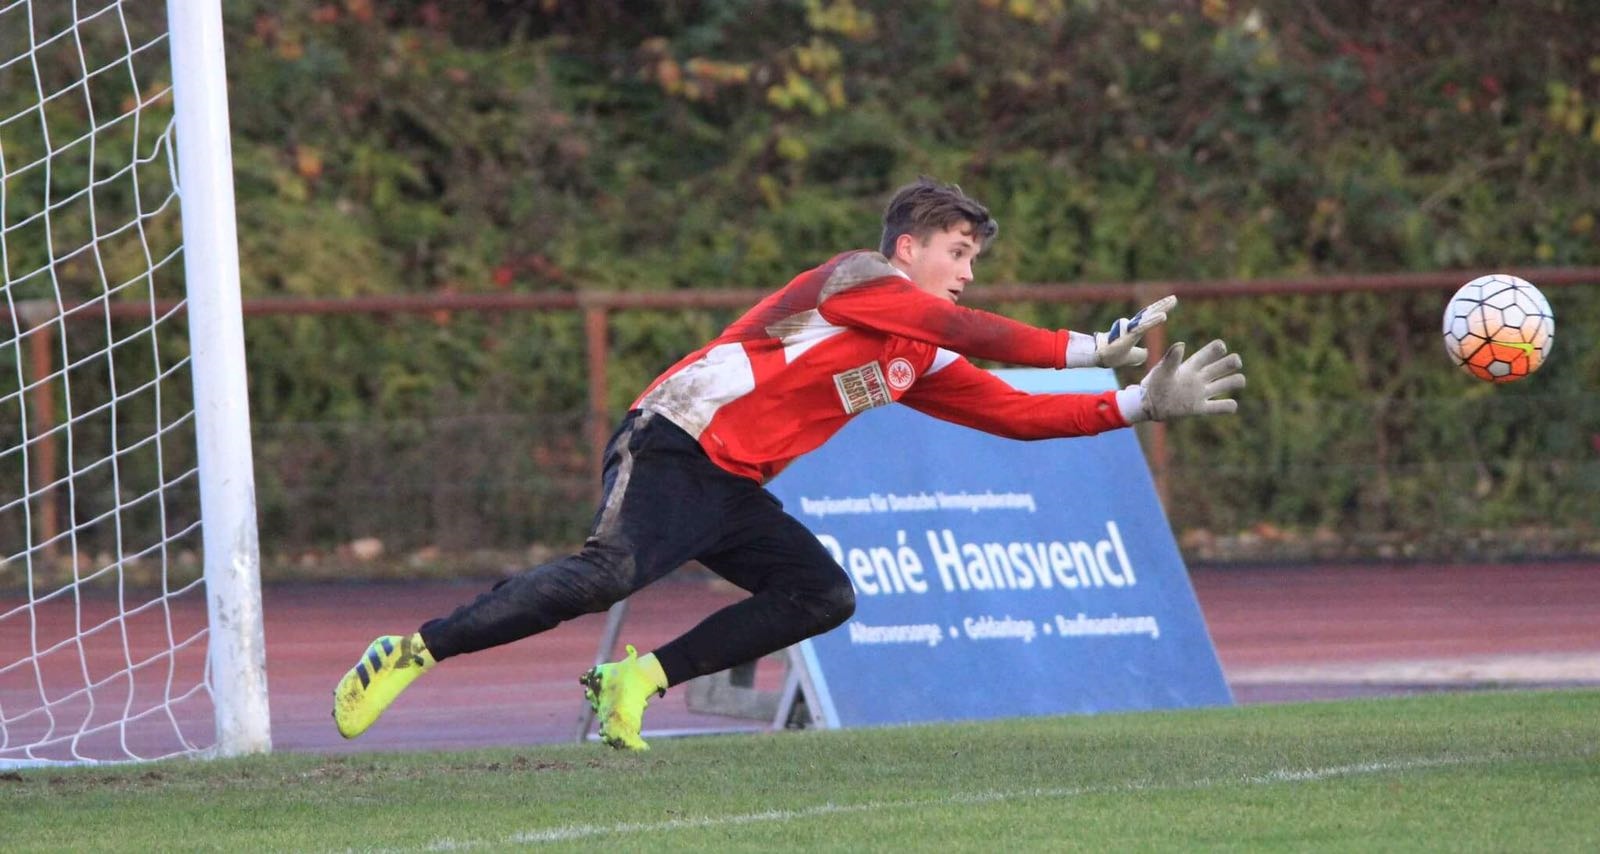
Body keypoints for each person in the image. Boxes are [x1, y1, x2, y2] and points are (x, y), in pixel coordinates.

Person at [331, 177, 1245, 750]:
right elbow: (960, 328)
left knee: (824, 596)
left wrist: (1136, 404)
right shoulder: (857, 280)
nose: (967, 271)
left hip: (735, 485)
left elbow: (1006, 412)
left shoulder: (912, 352)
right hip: (676, 439)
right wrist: (1094, 345)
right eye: (956, 253)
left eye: (972, 258)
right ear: (906, 250)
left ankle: (634, 681)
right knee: (603, 576)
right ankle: (409, 650)